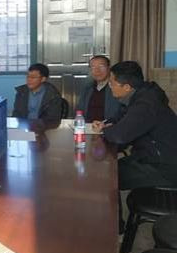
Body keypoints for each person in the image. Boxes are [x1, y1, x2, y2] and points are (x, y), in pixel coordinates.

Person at [93, 61, 177, 190]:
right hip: (148, 156)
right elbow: (122, 118)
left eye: (112, 83)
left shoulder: (146, 103)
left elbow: (121, 135)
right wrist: (105, 123)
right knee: (107, 168)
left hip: (165, 166)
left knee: (106, 176)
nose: (110, 86)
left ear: (127, 87)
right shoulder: (138, 95)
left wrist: (105, 131)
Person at [76, 55, 122, 122]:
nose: (97, 71)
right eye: (93, 67)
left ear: (109, 68)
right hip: (87, 126)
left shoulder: (117, 88)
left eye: (101, 67)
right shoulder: (87, 88)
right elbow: (79, 111)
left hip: (109, 126)